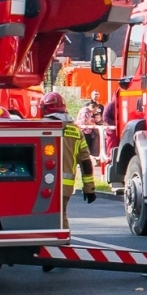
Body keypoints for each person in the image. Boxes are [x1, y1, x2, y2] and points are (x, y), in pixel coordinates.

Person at [40, 91, 95, 220]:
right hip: (65, 187)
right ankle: (63, 240)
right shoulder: (76, 131)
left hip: (41, 184)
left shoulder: (39, 127)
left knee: (39, 220)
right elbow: (86, 162)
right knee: (61, 217)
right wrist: (89, 188)